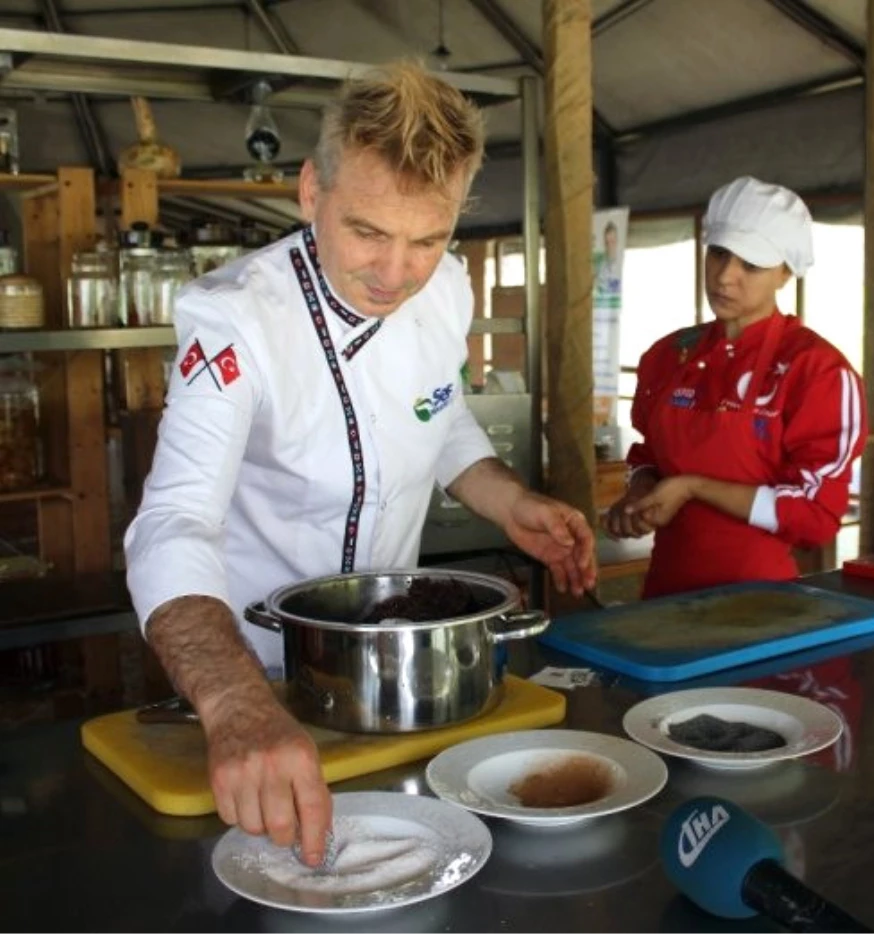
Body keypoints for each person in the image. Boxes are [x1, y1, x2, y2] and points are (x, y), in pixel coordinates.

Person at [124, 62, 595, 866]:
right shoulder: (234, 317)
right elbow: (172, 520)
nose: (394, 272)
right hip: (254, 680)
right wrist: (237, 706)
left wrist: (505, 500)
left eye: (427, 238)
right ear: (312, 192)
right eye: (368, 231)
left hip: (394, 676)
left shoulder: (445, 289)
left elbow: (436, 417)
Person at [605, 176, 865, 598]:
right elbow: (648, 453)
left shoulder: (815, 371)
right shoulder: (668, 356)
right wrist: (640, 491)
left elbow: (813, 515)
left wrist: (694, 487)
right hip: (664, 600)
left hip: (760, 606)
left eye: (751, 264)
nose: (726, 276)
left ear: (785, 272)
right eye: (720, 254)